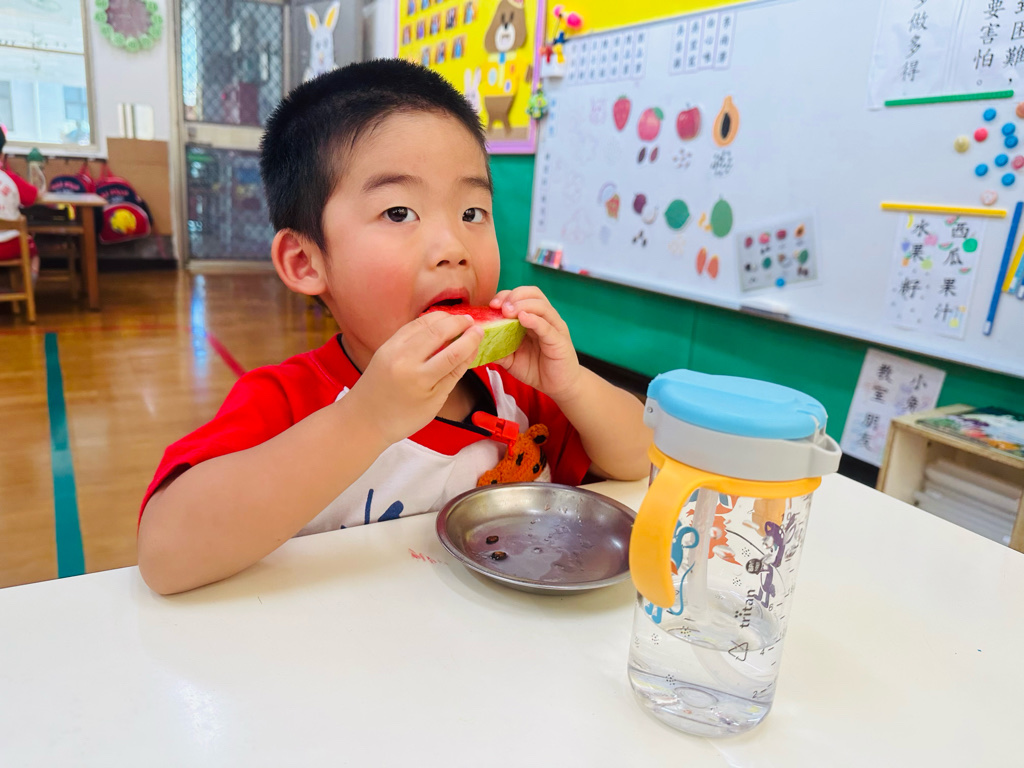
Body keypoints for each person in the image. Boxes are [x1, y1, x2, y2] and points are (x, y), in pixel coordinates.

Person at [137, 59, 651, 595]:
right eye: (399, 213)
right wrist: (366, 418)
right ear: (306, 261)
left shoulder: (514, 392)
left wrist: (572, 384)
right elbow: (165, 556)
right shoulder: (288, 403)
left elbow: (639, 458)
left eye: (472, 213)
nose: (453, 248)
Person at [0, 125, 40, 277]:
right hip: (10, 245)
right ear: (2, 156)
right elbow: (32, 197)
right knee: (33, 252)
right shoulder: (10, 178)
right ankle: (27, 286)